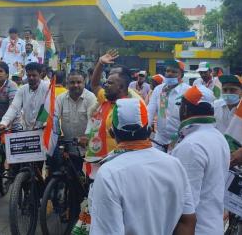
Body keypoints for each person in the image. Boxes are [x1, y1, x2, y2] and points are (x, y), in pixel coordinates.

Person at [90, 98, 196, 235]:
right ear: (149, 130)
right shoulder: (174, 164)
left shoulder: (109, 173)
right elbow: (187, 221)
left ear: (112, 133)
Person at [171, 85, 229, 235]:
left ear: (185, 109)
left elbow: (185, 204)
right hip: (213, 225)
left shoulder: (192, 145)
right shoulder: (217, 136)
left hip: (197, 230)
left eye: (181, 105)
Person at [53, 71, 96, 171]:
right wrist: (56, 132)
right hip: (69, 147)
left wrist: (87, 136)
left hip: (89, 147)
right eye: (72, 82)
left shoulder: (91, 98)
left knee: (88, 179)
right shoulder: (60, 98)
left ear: (84, 83)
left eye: (79, 82)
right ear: (67, 84)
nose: (75, 85)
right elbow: (54, 116)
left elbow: (93, 120)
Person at [147, 59, 190, 151]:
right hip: (160, 139)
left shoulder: (188, 91)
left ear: (181, 75)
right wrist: (146, 126)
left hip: (180, 139)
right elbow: (150, 110)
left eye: (174, 72)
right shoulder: (159, 89)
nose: (169, 73)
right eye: (167, 71)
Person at [0, 62, 49, 130]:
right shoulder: (22, 89)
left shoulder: (47, 88)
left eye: (34, 75)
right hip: (27, 130)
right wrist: (4, 122)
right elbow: (14, 107)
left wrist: (42, 123)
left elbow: (48, 109)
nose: (31, 78)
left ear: (40, 75)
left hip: (44, 129)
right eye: (29, 75)